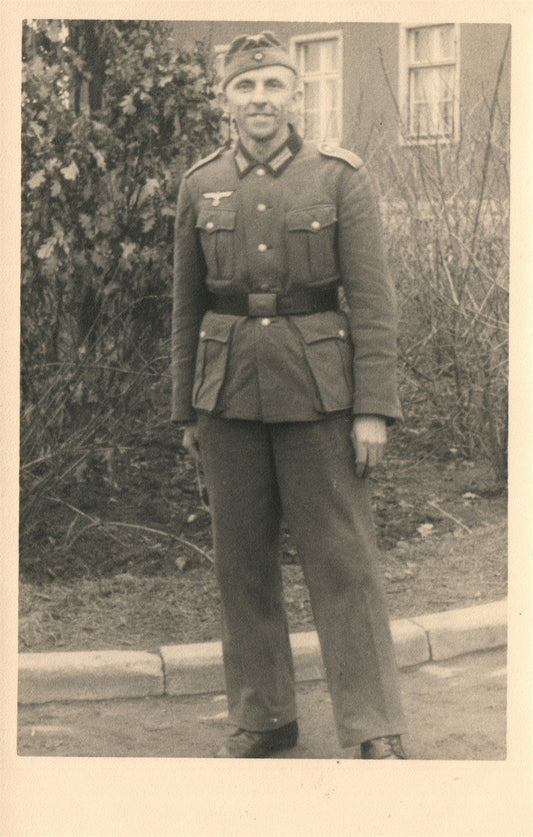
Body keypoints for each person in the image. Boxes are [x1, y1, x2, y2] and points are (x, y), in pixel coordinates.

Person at [171, 31, 407, 759]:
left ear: (295, 94)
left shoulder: (339, 178)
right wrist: (186, 409)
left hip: (319, 397)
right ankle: (263, 715)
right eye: (245, 87)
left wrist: (371, 407)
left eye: (273, 84)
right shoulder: (199, 184)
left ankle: (372, 724)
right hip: (227, 395)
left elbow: (371, 302)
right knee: (241, 561)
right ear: (225, 101)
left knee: (343, 561)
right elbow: (184, 307)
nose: (260, 100)